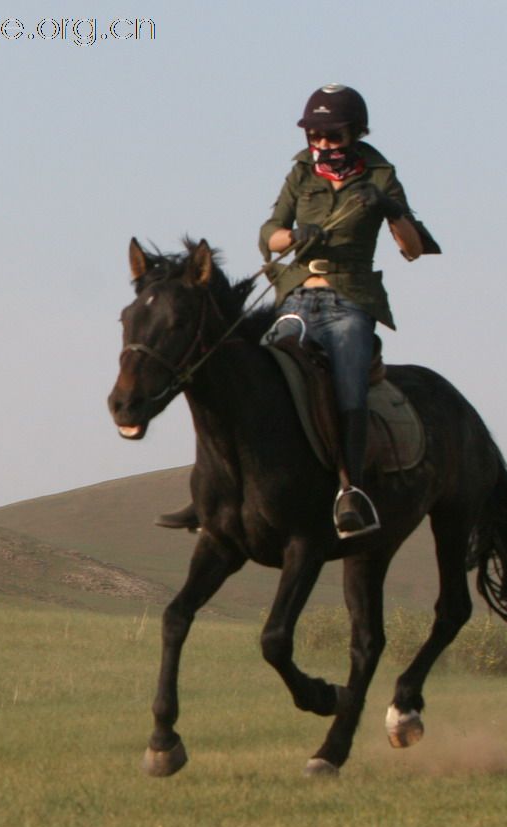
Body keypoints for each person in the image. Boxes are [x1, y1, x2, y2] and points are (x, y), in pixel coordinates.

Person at [156, 83, 438, 536]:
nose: (324, 144)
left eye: (334, 135)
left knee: (349, 386)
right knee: (241, 376)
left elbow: (414, 247)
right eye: (316, 135)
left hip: (349, 302)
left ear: (356, 132)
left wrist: (389, 208)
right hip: (296, 296)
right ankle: (215, 494)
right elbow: (269, 233)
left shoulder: (381, 174)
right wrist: (294, 235)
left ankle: (352, 492)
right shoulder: (301, 173)